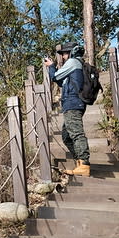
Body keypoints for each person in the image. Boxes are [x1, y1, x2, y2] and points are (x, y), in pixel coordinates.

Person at [44, 42, 90, 176]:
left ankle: (84, 164)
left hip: (73, 102)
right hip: (72, 103)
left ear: (71, 52)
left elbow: (55, 76)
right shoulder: (75, 64)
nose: (63, 57)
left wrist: (52, 66)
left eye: (64, 54)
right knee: (66, 135)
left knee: (76, 133)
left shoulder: (73, 62)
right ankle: (79, 162)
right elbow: (60, 81)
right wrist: (53, 68)